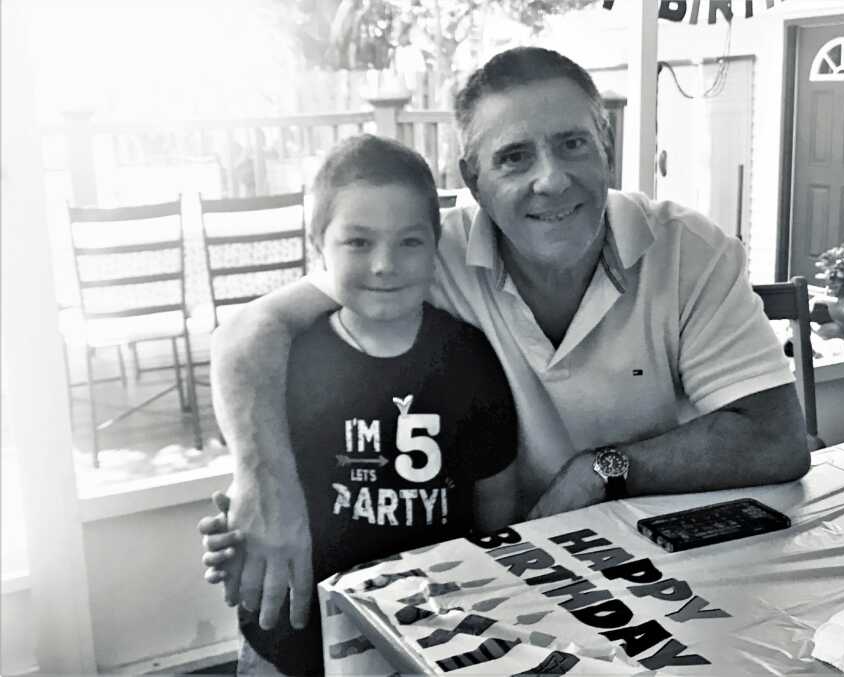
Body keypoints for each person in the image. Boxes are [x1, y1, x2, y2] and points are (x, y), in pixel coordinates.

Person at [199, 46, 810, 641]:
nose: (551, 180)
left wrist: (600, 470)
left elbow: (777, 438)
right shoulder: (420, 255)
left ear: (607, 147)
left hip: (661, 576)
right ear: (473, 180)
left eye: (572, 144)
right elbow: (248, 333)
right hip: (494, 584)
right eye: (514, 157)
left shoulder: (687, 250)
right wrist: (264, 485)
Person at [214, 133, 518, 675]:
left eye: (409, 242)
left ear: (436, 244)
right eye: (358, 242)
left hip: (426, 642)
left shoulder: (470, 359)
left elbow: (497, 512)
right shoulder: (285, 360)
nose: (384, 265)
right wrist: (238, 535)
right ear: (318, 243)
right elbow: (259, 487)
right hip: (288, 642)